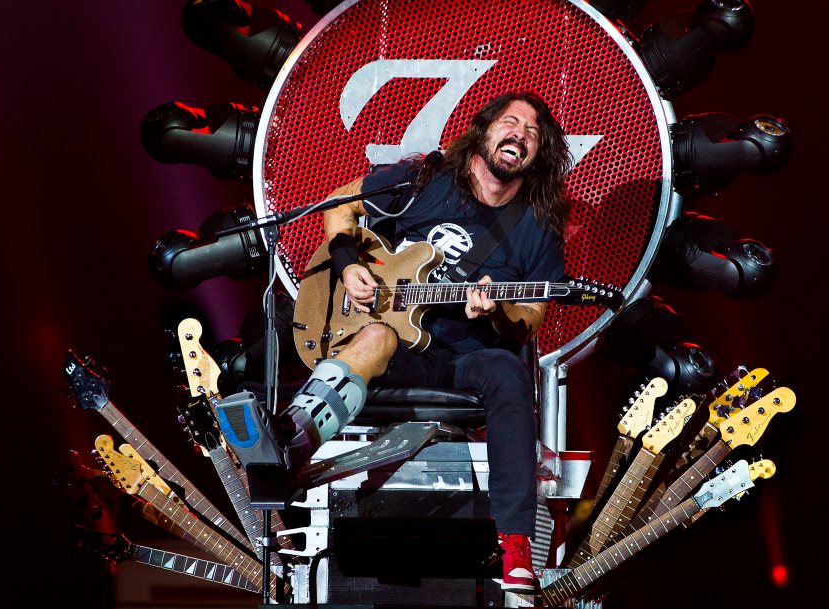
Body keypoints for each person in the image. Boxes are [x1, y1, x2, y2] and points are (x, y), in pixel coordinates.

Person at [219, 91, 571, 594]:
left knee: (507, 371)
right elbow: (341, 209)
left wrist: (499, 313)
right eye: (511, 122)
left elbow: (529, 321)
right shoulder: (425, 180)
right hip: (394, 343)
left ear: (539, 153)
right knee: (378, 334)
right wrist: (351, 265)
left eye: (533, 132)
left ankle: (513, 544)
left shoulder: (538, 227)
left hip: (462, 360)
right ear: (485, 130)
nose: (520, 134)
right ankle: (290, 441)